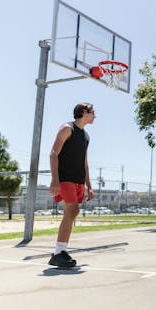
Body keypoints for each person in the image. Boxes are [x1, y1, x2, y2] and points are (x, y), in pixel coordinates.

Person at [48, 103, 95, 267]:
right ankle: (59, 252)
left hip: (78, 180)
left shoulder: (86, 136)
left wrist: (89, 185)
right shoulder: (67, 128)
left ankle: (60, 252)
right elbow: (54, 153)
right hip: (65, 178)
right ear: (84, 112)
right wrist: (55, 179)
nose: (95, 115)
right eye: (92, 112)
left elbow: (84, 162)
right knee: (74, 210)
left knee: (71, 212)